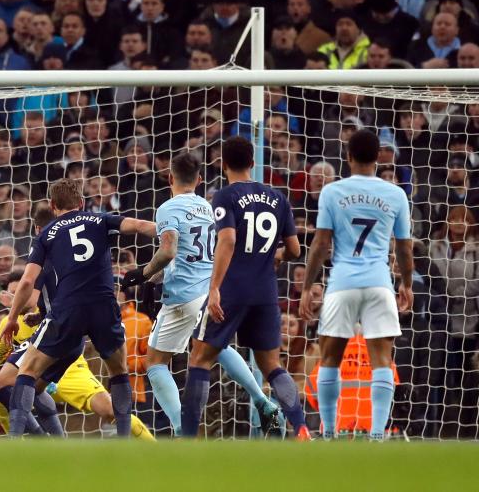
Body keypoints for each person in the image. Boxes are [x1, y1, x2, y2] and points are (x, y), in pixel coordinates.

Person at [0, 208, 155, 440]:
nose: (14, 295)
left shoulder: (45, 256)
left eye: (17, 292)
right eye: (11, 292)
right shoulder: (62, 260)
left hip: (62, 342)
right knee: (4, 386)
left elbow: (33, 296)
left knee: (105, 408)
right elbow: (2, 347)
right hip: (58, 335)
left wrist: (18, 307)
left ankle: (150, 445)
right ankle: (49, 442)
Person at [121, 152, 281, 436]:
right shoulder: (211, 207)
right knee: (218, 349)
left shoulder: (169, 208)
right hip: (212, 292)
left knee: (156, 363)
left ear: (170, 178)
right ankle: (262, 400)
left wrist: (143, 274)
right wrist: (153, 279)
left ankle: (182, 427)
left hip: (183, 296)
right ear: (199, 179)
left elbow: (169, 251)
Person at [0, 178, 158, 437]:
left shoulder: (47, 233)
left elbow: (27, 280)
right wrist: (169, 231)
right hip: (104, 307)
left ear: (53, 205)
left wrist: (13, 316)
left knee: (27, 372)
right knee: (119, 370)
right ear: (82, 203)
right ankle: (124, 437)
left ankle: (15, 440)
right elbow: (139, 226)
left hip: (68, 310)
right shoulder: (101, 220)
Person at [178, 136, 308, 439]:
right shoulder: (278, 198)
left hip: (232, 289)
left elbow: (228, 240)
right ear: (252, 162)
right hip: (265, 292)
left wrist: (214, 288)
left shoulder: (225, 196)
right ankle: (301, 426)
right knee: (272, 366)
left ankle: (185, 439)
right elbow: (295, 249)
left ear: (223, 164)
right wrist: (277, 256)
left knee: (200, 359)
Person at [299, 129, 414, 441]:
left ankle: (329, 432)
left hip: (342, 283)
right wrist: (405, 283)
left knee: (330, 358)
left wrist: (308, 286)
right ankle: (377, 435)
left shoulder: (332, 193)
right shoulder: (396, 194)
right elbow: (404, 247)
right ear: (378, 158)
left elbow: (321, 243)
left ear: (348, 157)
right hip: (379, 284)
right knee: (382, 361)